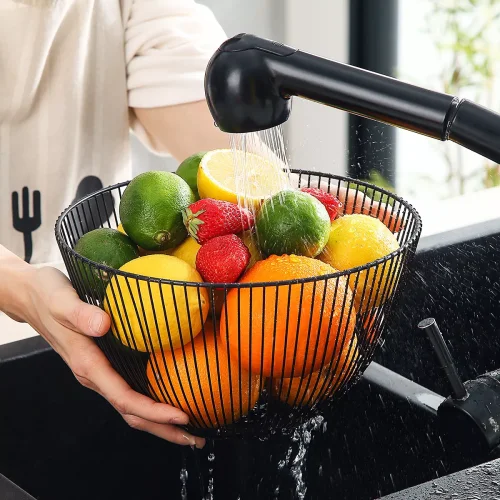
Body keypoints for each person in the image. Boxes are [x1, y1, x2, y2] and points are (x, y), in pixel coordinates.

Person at [0, 0, 396, 450]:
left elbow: (202, 109)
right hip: (77, 311)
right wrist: (18, 285)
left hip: (111, 326)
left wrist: (287, 195)